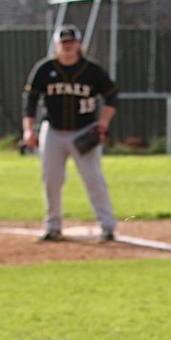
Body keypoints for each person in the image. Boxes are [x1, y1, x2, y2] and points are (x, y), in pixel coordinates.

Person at [22, 24, 119, 242]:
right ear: (57, 45)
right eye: (64, 43)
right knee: (51, 180)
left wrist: (102, 124)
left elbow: (112, 95)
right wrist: (29, 130)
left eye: (71, 42)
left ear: (78, 45)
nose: (68, 46)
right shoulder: (45, 69)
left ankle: (108, 226)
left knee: (93, 179)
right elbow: (30, 100)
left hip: (84, 130)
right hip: (53, 132)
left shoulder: (91, 70)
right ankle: (53, 226)